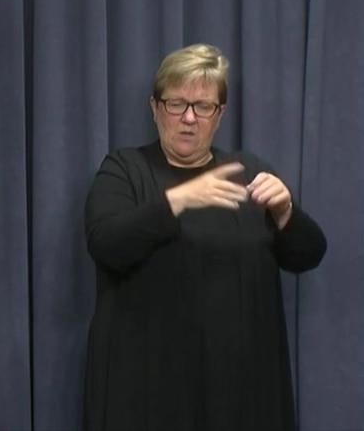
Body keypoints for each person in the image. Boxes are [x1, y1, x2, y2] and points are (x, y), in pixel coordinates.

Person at [83, 43, 327, 430]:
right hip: (150, 391)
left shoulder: (247, 171)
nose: (189, 118)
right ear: (155, 107)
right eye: (176, 103)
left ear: (220, 114)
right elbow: (106, 243)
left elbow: (308, 254)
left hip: (241, 392)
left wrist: (286, 213)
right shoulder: (125, 169)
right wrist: (176, 201)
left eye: (204, 106)